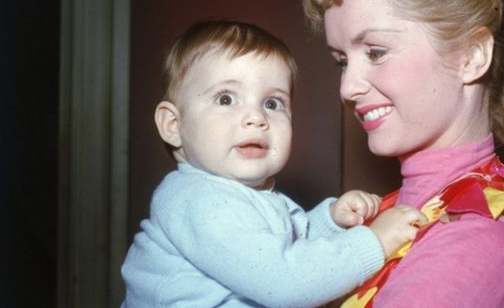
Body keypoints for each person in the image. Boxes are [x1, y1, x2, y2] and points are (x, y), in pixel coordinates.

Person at [302, 0, 504, 307]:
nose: (347, 87)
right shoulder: (404, 211)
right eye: (342, 61)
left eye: (376, 52)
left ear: (472, 56)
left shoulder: (473, 243)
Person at [121, 20, 426, 308]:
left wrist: (330, 222)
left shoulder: (247, 195)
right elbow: (286, 282)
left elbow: (283, 251)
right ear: (173, 125)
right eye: (226, 99)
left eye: (272, 103)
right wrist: (373, 243)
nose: (257, 118)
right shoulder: (198, 201)